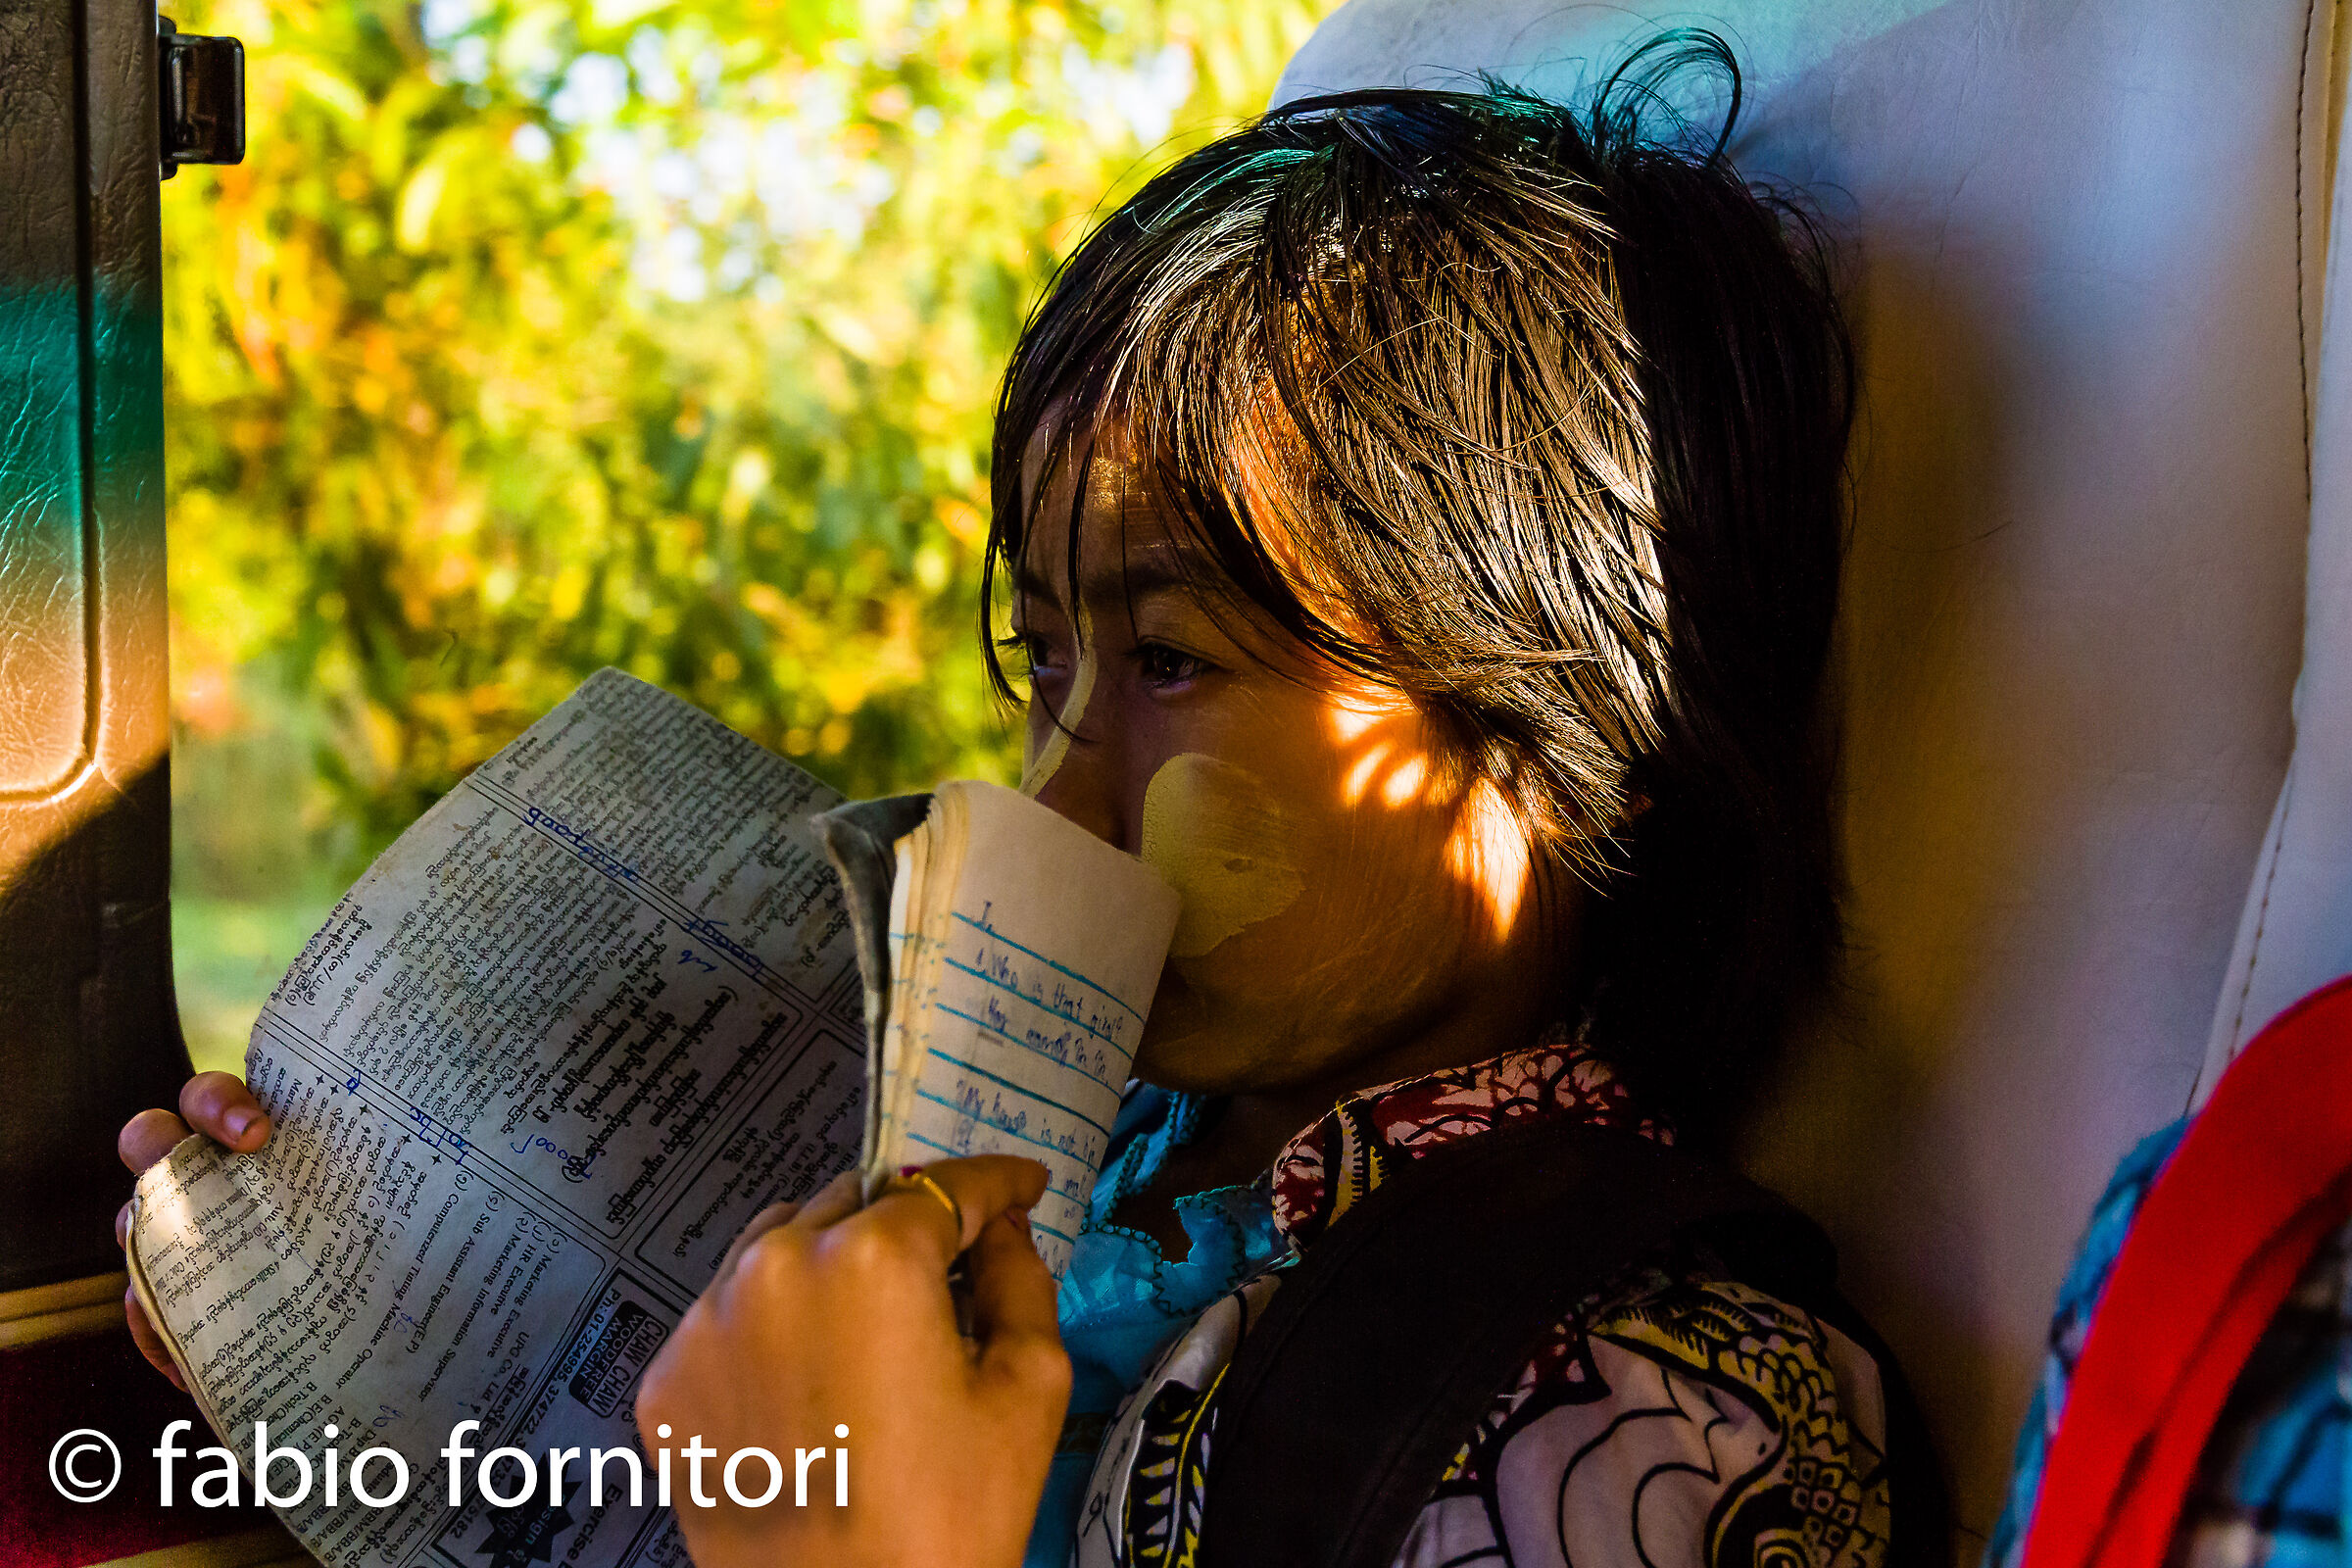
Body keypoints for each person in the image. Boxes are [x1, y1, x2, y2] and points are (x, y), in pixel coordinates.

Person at [119, 40, 1908, 1568]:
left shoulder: (1637, 1416)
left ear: (1545, 723)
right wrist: (325, 1332)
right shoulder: (1094, 1137)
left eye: (1175, 664)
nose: (1049, 790)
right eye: (1044, 667)